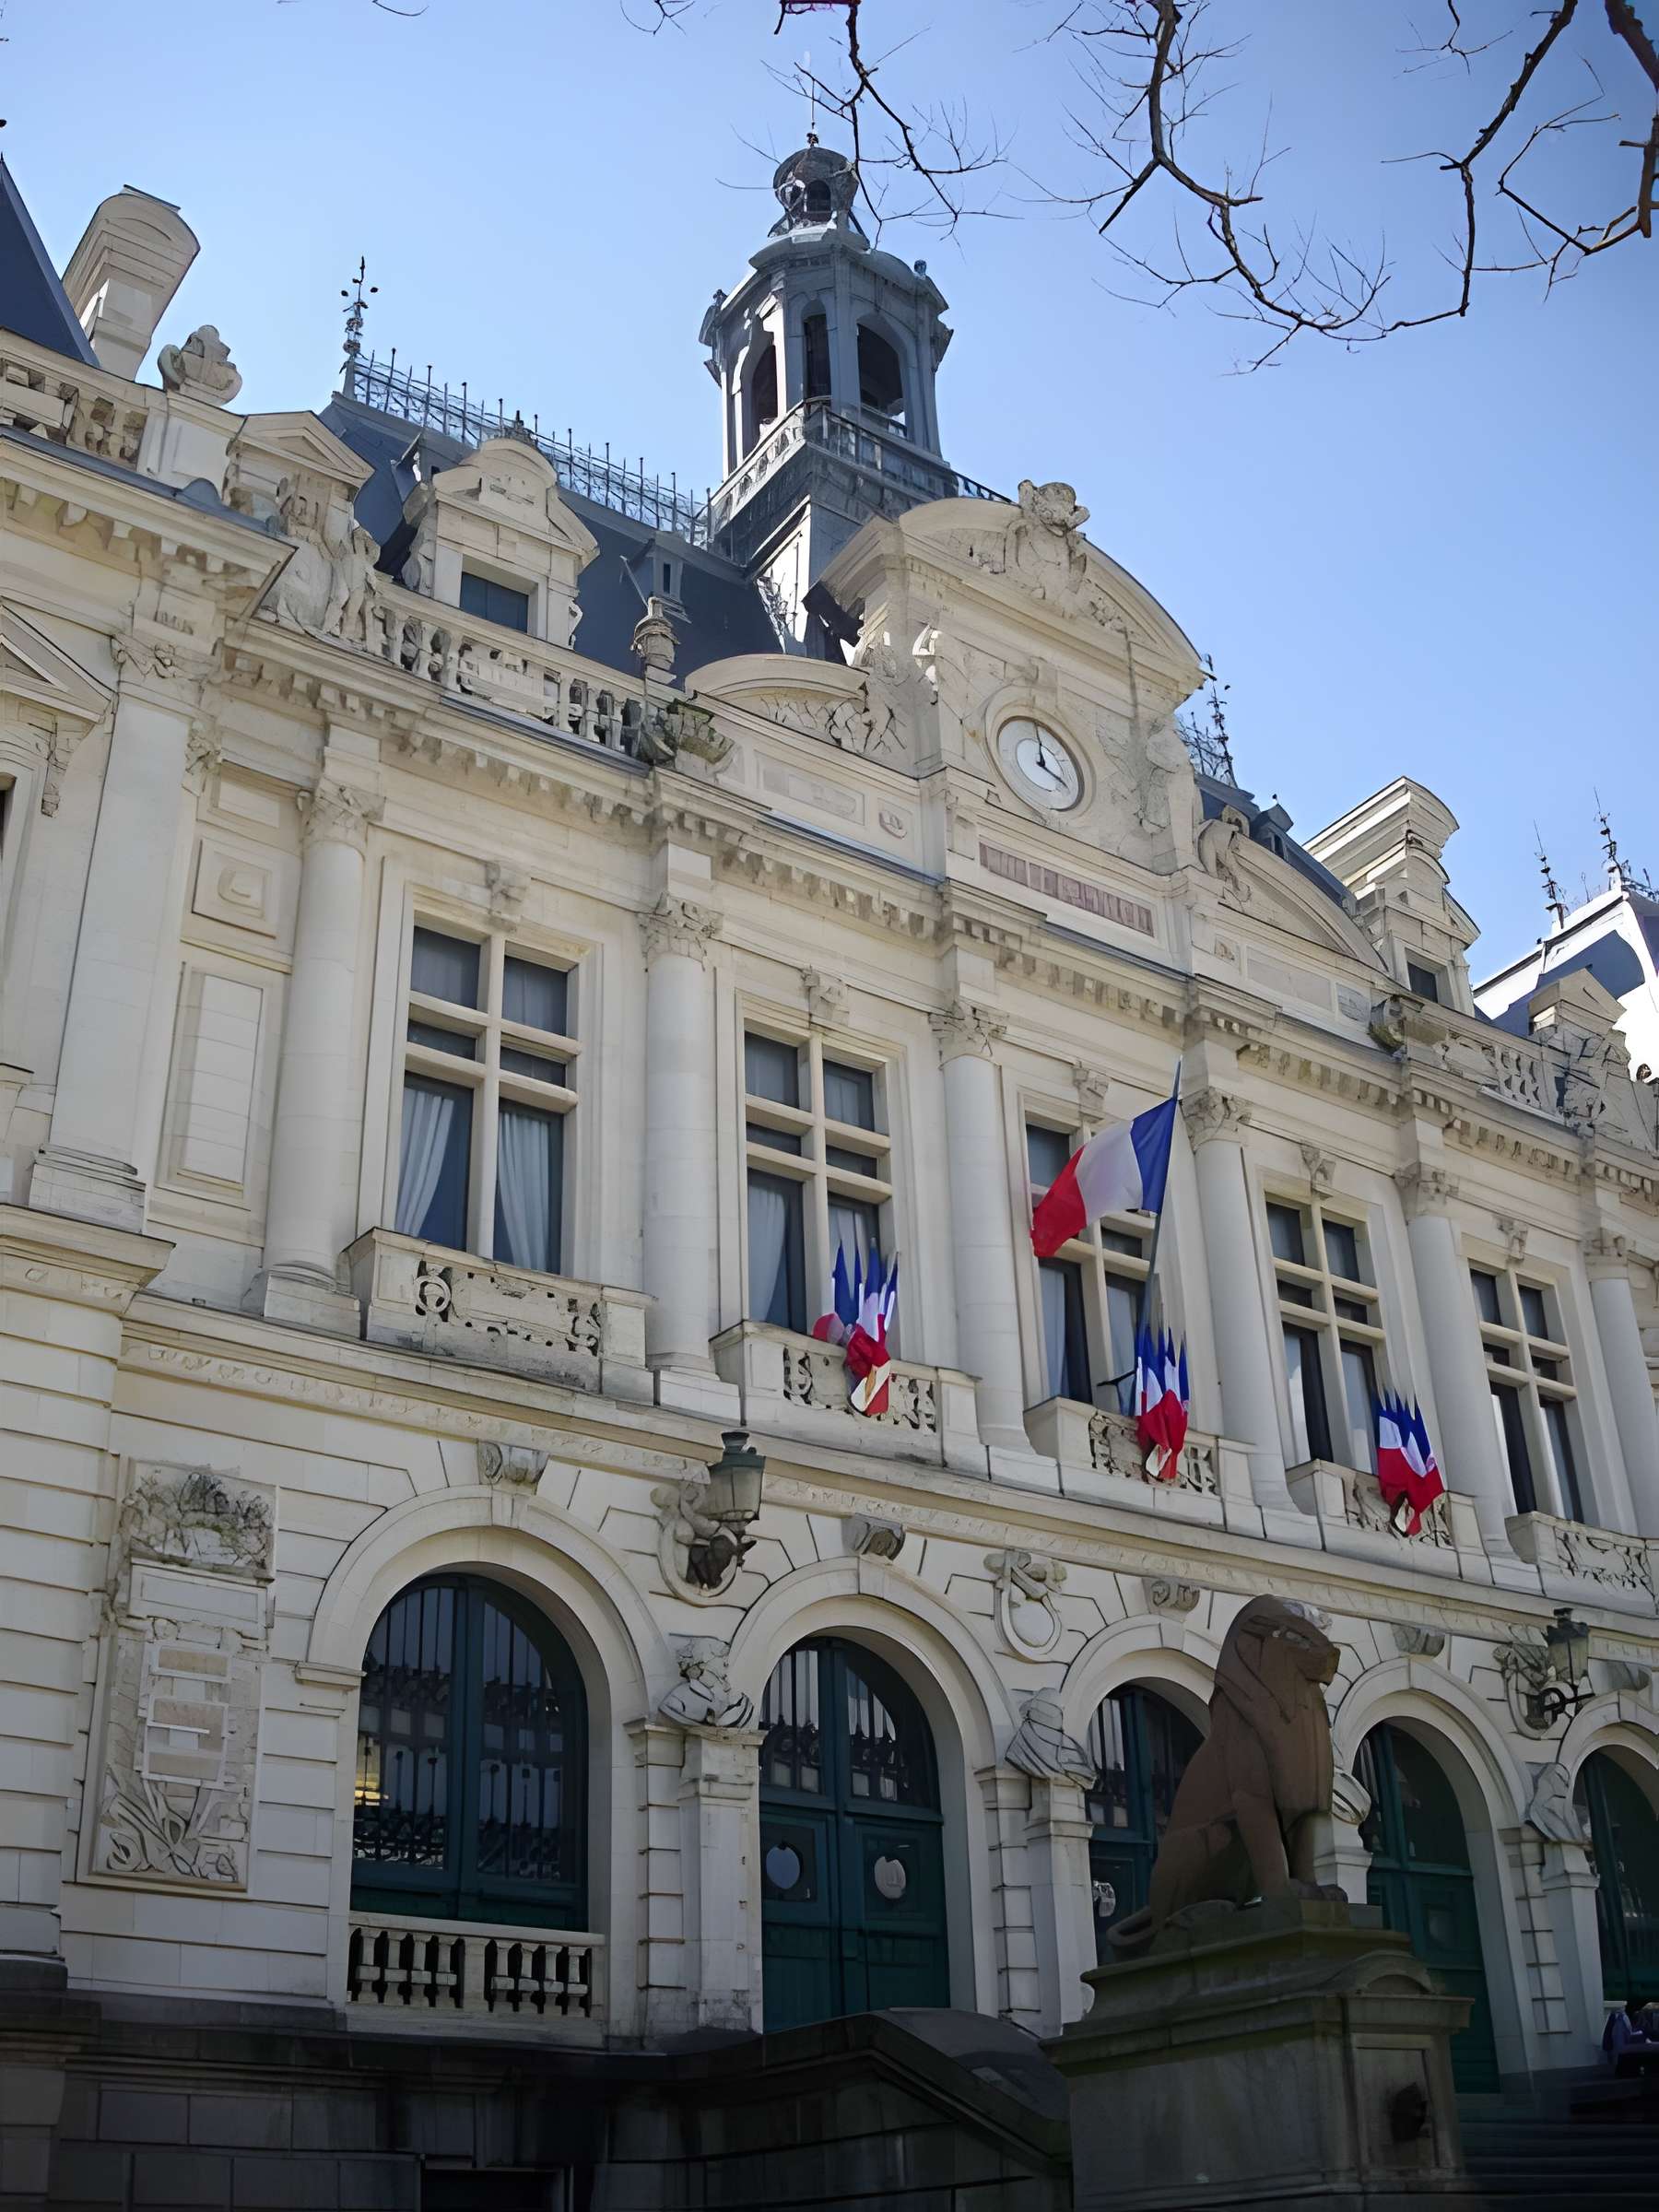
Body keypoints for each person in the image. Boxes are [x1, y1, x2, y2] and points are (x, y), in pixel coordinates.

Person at [1605, 1997, 1659, 2077]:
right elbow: (1621, 2049)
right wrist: (1649, 2046)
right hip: (1624, 2064)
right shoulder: (1621, 2021)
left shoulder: (1623, 2020)